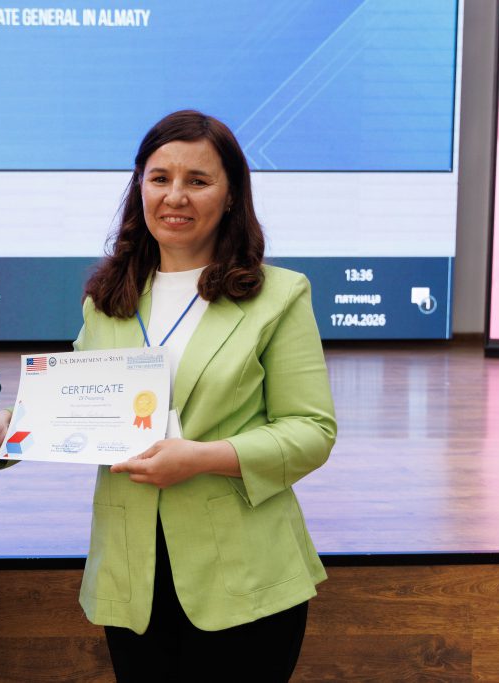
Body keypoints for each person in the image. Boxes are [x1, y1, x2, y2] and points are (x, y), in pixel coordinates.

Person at [72, 110, 336, 681]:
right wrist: (6, 426)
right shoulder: (106, 300)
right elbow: (75, 403)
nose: (175, 196)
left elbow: (312, 431)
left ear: (232, 194)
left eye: (198, 180)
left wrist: (201, 458)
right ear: (139, 187)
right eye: (159, 178)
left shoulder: (279, 295)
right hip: (132, 580)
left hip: (244, 578)